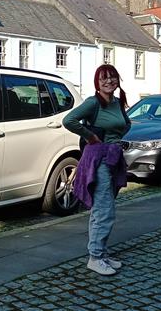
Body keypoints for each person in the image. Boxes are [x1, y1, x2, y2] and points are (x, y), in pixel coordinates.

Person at [62, 64, 130, 276]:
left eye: (112, 77)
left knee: (101, 209)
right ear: (97, 83)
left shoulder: (118, 103)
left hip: (113, 158)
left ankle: (101, 252)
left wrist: (118, 141)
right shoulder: (93, 103)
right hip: (98, 160)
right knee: (104, 210)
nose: (109, 81)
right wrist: (89, 135)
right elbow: (69, 120)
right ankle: (95, 257)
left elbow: (123, 126)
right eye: (103, 79)